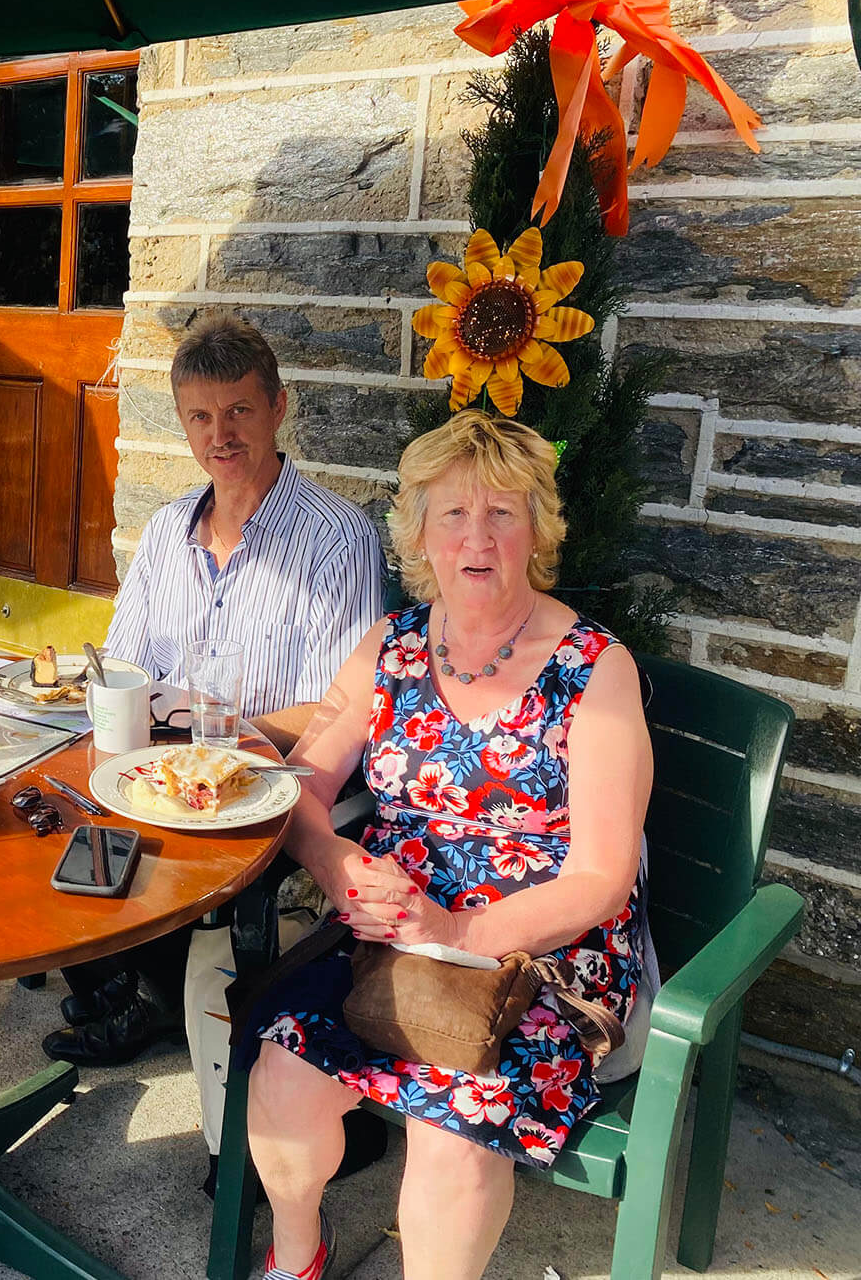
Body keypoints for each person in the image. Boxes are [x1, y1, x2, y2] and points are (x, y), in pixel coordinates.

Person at [236, 410, 655, 1280]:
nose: (477, 537)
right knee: (280, 1082)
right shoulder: (388, 649)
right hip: (386, 934)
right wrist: (339, 864)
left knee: (449, 1142)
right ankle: (298, 1259)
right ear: (418, 532)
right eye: (453, 514)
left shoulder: (594, 669)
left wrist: (459, 934)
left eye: (502, 513)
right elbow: (302, 788)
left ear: (537, 529)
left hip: (540, 956)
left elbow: (603, 877)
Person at [46, 315, 383, 1067]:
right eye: (201, 416)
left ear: (278, 408)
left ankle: (147, 996)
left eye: (239, 411)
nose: (219, 435)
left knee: (124, 839)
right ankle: (135, 987)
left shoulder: (337, 538)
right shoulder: (167, 532)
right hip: (154, 772)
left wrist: (212, 743)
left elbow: (341, 713)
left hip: (254, 787)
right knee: (43, 811)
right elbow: (121, 671)